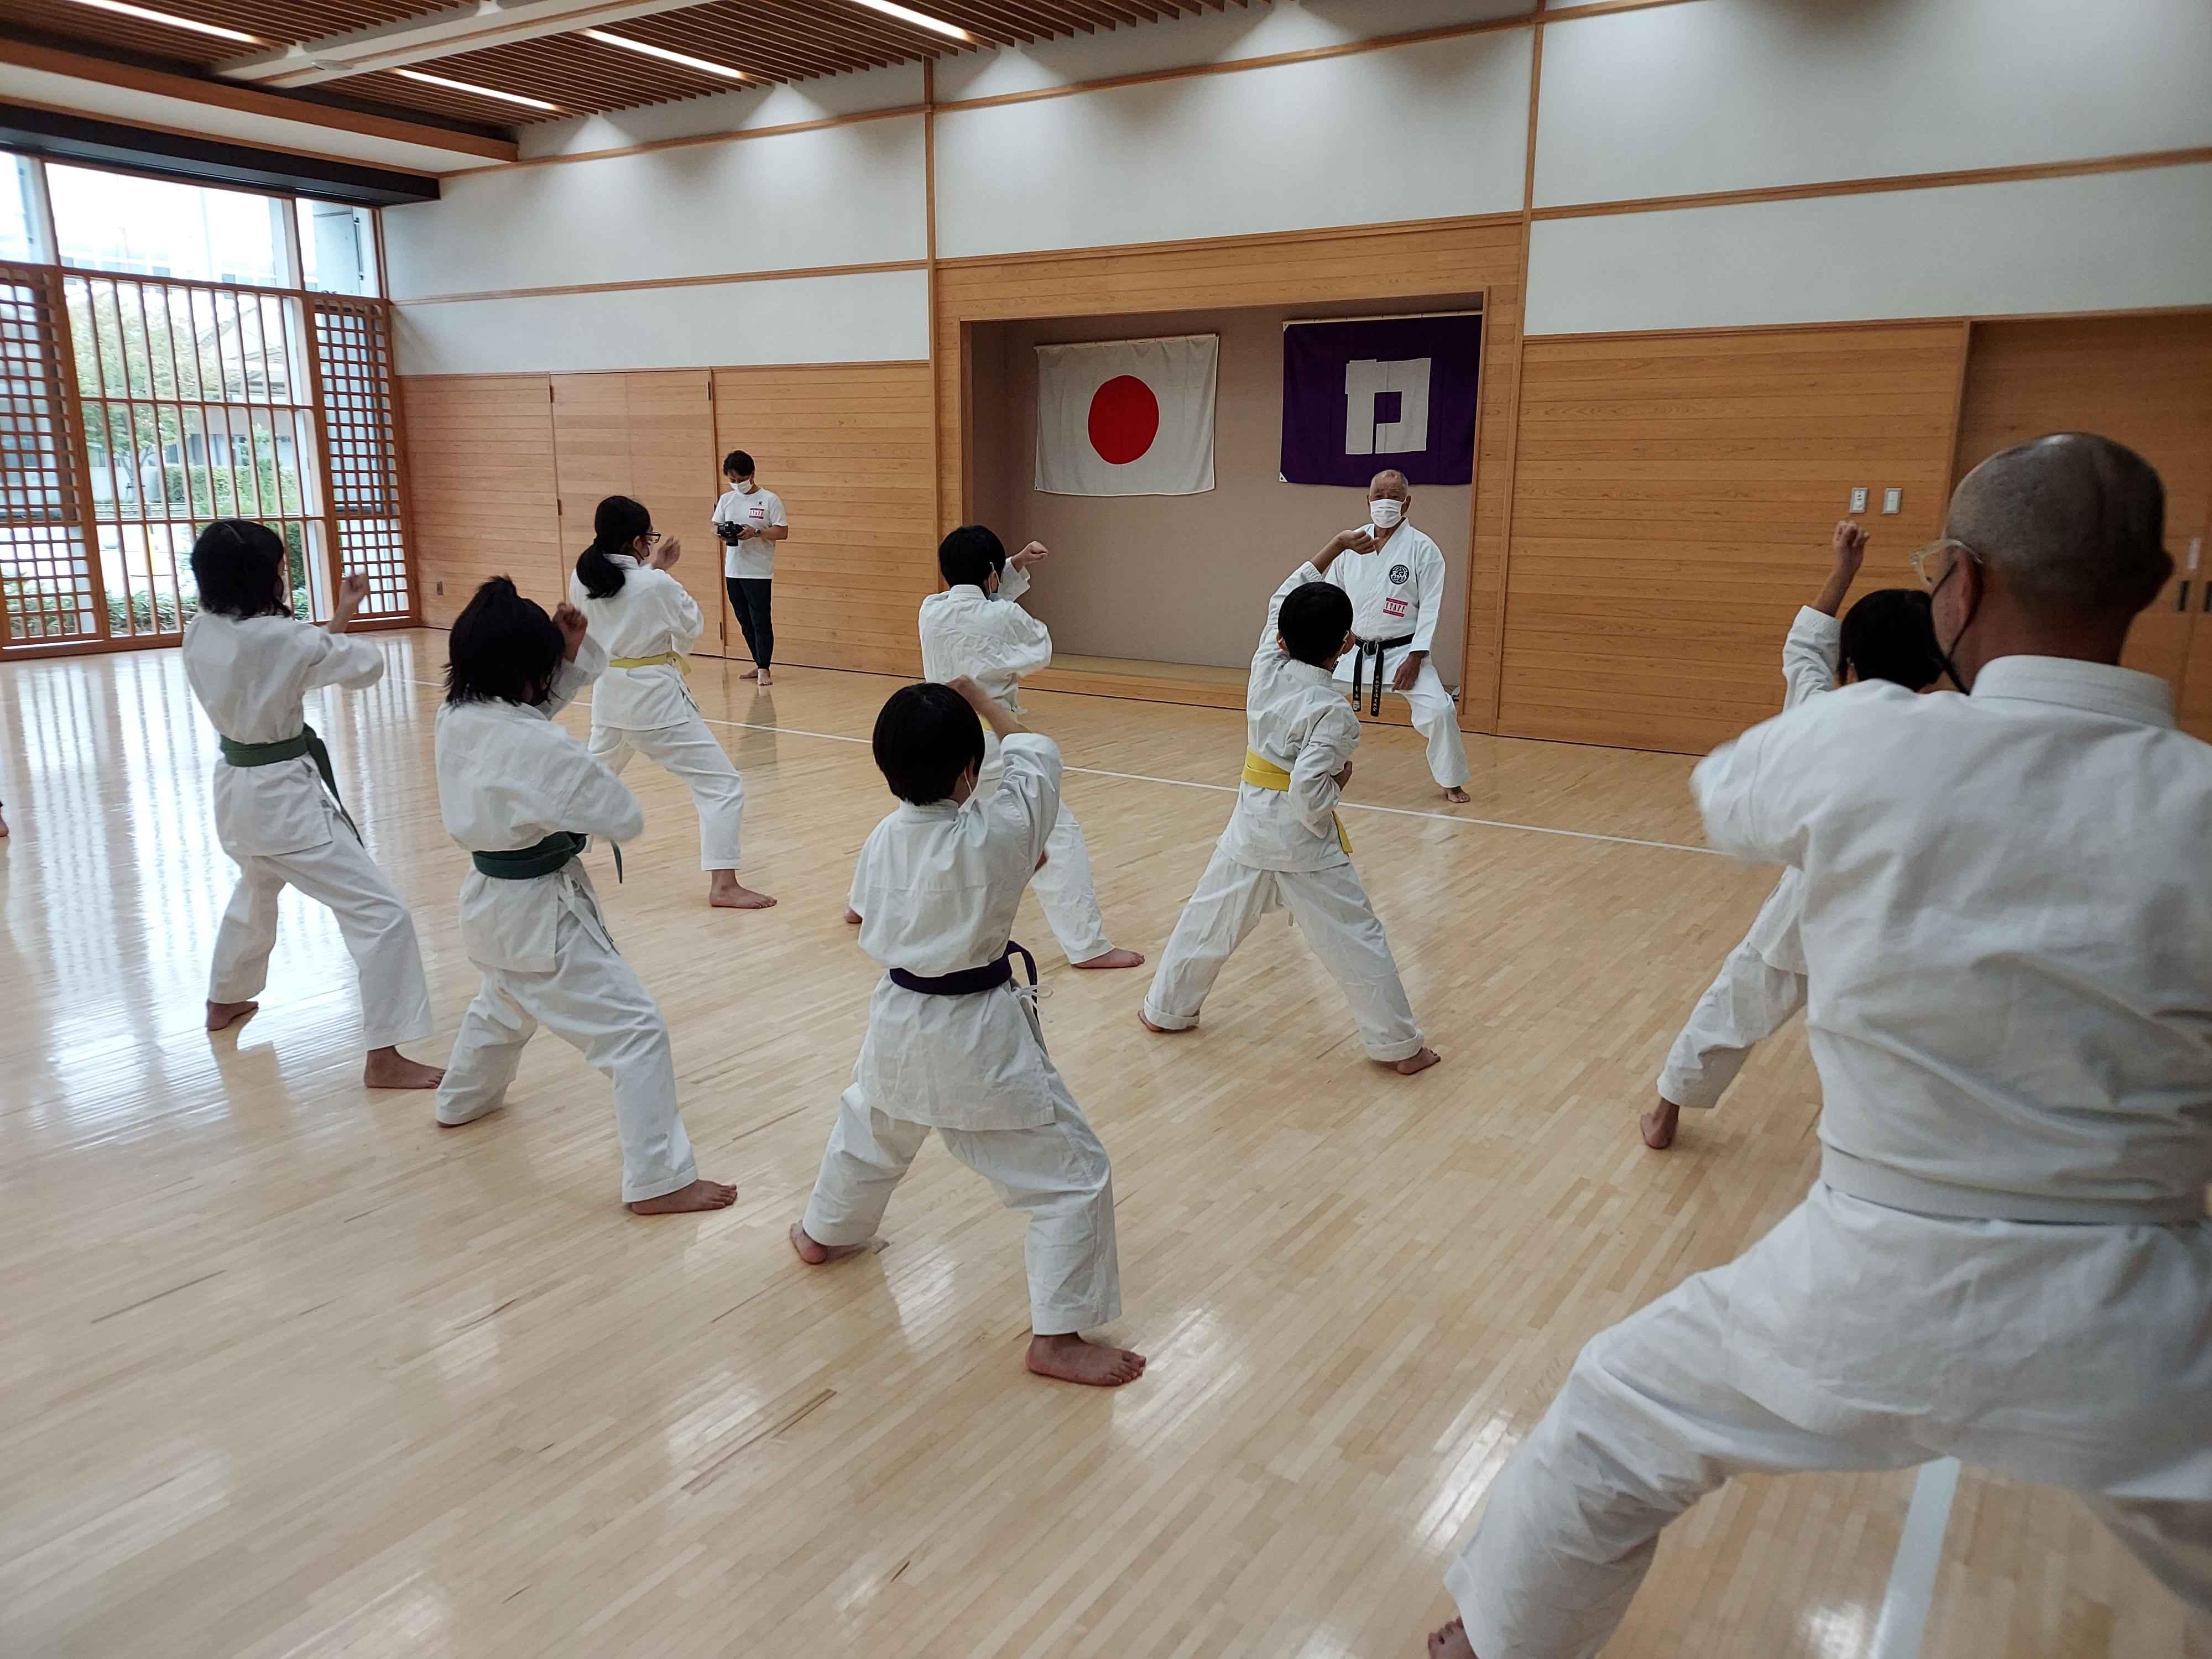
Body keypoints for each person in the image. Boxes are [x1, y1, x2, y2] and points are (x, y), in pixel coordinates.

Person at [1429, 434, 2212, 1659]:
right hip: (2144, 1314)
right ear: (2154, 583)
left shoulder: (1869, 740)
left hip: (1869, 1276)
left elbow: (1724, 798)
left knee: (1614, 1418)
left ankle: (1491, 1644)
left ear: (1959, 580)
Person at [792, 675, 1144, 1386]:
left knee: (871, 1131)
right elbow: (1037, 752)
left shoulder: (883, 838)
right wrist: (983, 701)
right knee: (1071, 1181)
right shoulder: (999, 830)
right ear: (967, 771)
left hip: (896, 1018)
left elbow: (865, 909)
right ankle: (1057, 1338)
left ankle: (824, 1231)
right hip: (977, 1037)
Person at [432, 577, 738, 1217]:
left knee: (506, 1001)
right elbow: (620, 815)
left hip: (489, 901)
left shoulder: (459, 715)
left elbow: (519, 726)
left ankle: (462, 1099)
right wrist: (570, 791)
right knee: (635, 1032)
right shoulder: (536, 743)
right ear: (525, 671)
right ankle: (659, 1179)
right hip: (541, 913)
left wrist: (566, 659)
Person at [1642, 520, 1943, 1150]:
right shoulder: (1959, 733)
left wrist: (1844, 569)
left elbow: (1805, 650)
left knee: (1735, 1006)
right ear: (1936, 669)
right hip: (1913, 921)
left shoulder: (1817, 712)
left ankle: (1667, 1111)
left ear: (1849, 662)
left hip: (1811, 907)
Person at [1140, 546, 1440, 1076]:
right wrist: (1338, 786)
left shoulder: (1265, 667)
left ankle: (1167, 1008)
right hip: (1305, 843)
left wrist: (1339, 545)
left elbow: (1282, 598)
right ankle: (1398, 1046)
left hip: (1250, 828)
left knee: (1208, 919)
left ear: (1280, 639)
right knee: (1355, 939)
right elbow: (1308, 789)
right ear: (1346, 645)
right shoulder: (1334, 713)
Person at [180, 519, 441, 1089]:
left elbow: (298, 660)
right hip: (285, 804)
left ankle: (224, 999)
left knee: (256, 888)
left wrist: (340, 614)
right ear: (263, 577)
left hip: (237, 793)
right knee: (382, 915)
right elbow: (359, 666)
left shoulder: (200, 630)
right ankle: (385, 1057)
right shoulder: (283, 638)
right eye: (277, 567)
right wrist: (346, 625)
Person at [907, 524, 1142, 970]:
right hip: (988, 741)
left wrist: (1011, 566)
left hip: (934, 735)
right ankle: (1088, 945)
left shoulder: (931, 609)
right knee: (1058, 832)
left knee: (919, 817)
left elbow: (979, 603)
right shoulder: (1004, 617)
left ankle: (862, 902)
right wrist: (1003, 577)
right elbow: (1036, 648)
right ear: (992, 577)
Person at [569, 495, 774, 911]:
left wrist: (654, 570)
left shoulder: (583, 576)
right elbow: (690, 625)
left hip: (609, 696)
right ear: (634, 539)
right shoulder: (654, 584)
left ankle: (560, 852)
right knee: (721, 785)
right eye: (648, 536)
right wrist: (658, 575)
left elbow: (627, 597)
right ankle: (724, 884)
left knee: (594, 778)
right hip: (654, 702)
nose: (651, 542)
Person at [1322, 470, 1473, 803]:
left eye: (1393, 496)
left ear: (1407, 502)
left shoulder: (1423, 549)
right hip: (1353, 650)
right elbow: (1331, 596)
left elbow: (1431, 608)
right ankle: (1303, 767)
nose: (1385, 502)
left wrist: (1417, 658)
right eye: (1379, 496)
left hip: (1404, 653)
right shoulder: (1352, 543)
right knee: (1309, 697)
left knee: (1439, 711)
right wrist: (1331, 647)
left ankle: (1452, 780)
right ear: (1368, 500)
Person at [713, 449, 786, 687]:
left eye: (740, 480)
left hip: (758, 571)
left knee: (760, 620)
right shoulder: (727, 500)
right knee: (743, 618)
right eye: (732, 480)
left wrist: (755, 532)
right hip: (733, 569)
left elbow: (782, 531)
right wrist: (724, 534)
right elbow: (715, 526)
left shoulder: (769, 499)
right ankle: (757, 661)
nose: (736, 484)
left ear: (752, 474)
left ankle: (765, 667)